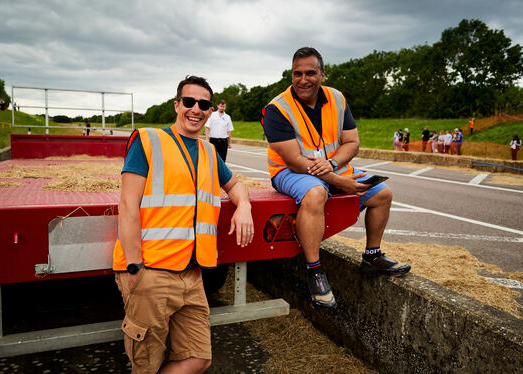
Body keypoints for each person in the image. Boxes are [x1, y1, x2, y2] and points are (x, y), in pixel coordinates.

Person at [112, 75, 254, 374]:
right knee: (146, 364)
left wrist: (244, 206)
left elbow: (235, 185)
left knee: (199, 358)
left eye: (204, 104)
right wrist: (135, 267)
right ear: (177, 105)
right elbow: (127, 206)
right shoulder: (148, 140)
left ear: (210, 110)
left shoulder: (209, 152)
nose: (196, 109)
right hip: (150, 271)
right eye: (189, 102)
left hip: (192, 275)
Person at [262, 47, 410, 309]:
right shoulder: (277, 109)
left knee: (383, 194)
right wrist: (341, 182)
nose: (303, 80)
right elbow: (295, 161)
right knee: (316, 193)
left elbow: (352, 143)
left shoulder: (337, 98)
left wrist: (332, 164)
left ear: (322, 74)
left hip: (331, 167)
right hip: (288, 172)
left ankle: (372, 257)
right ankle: (314, 270)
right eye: (297, 74)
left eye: (310, 73)